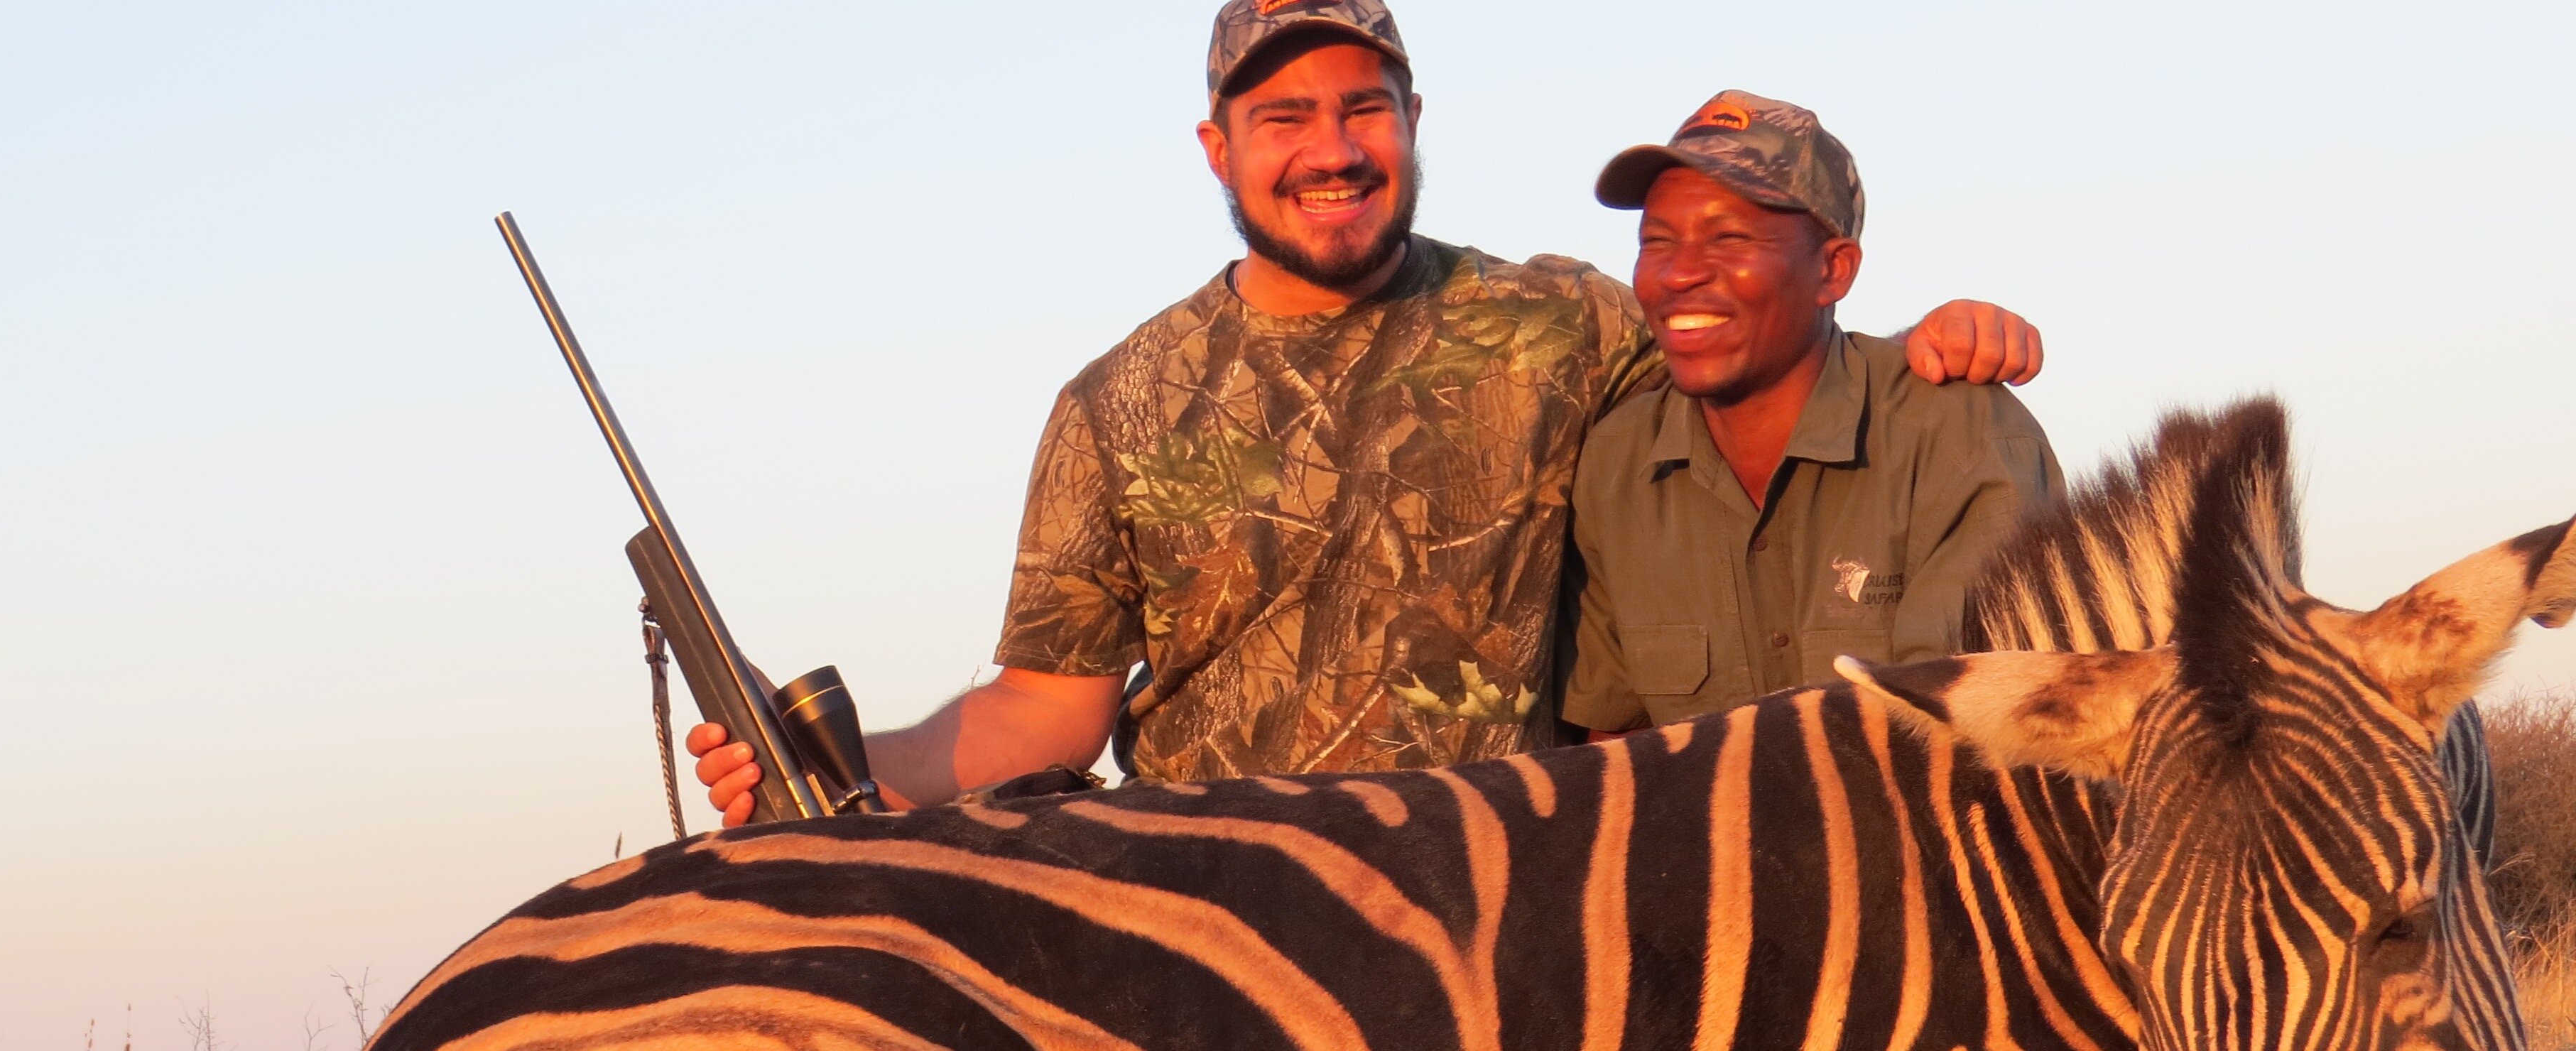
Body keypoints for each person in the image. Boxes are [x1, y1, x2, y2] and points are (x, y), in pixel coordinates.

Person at [692, 0, 2043, 822]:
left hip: (1507, 918)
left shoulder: (1565, 320)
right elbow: (1047, 713)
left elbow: (1751, 336)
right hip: (1228, 933)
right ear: (1218, 148)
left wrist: (1929, 339)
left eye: (1361, 110)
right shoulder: (1114, 406)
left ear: (1410, 119)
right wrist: (846, 761)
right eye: (1283, 118)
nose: (1331, 151)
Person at [1557, 94, 2063, 734]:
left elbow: (1982, 732)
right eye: (1657, 242)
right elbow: (1612, 738)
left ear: (1833, 270)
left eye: (1729, 237)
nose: (1680, 273)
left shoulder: (1961, 435)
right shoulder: (1618, 463)